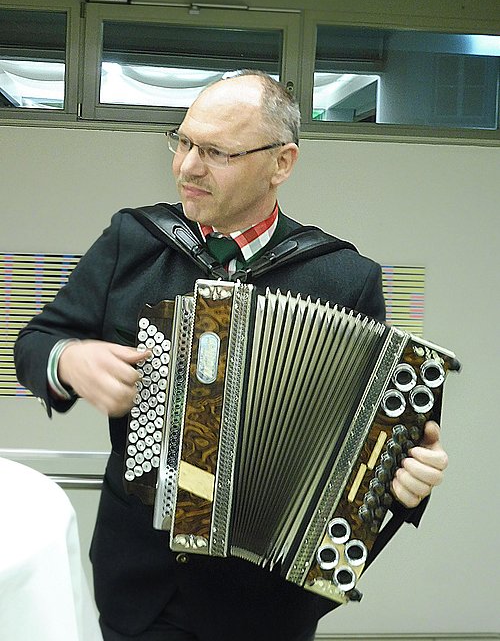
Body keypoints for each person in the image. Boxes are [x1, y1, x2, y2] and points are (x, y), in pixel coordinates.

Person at [14, 71, 448, 641]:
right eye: (184, 142)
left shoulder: (345, 278)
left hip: (268, 600)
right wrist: (69, 359)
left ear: (281, 163)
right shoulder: (134, 241)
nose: (187, 167)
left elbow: (374, 447)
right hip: (143, 586)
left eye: (215, 151)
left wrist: (405, 481)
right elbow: (35, 344)